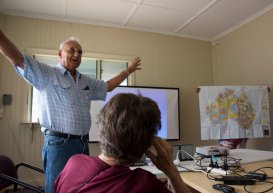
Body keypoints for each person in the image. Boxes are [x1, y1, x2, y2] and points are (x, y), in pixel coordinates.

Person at [0, 30, 141, 193]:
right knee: (56, 189)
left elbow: (107, 86)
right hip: (59, 144)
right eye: (71, 50)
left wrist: (128, 71)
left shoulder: (85, 80)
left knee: (81, 188)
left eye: (80, 52)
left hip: (82, 144)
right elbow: (18, 59)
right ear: (60, 54)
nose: (76, 54)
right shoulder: (47, 74)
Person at [55, 93, 190, 193]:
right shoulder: (145, 185)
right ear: (147, 145)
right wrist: (171, 170)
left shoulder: (74, 163)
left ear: (100, 132)